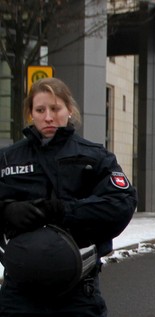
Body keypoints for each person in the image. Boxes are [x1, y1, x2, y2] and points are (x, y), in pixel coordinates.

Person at [0, 77, 137, 316]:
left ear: (69, 110)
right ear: (30, 113)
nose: (48, 117)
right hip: (18, 294)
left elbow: (121, 203)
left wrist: (64, 211)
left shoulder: (95, 157)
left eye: (55, 108)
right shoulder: (7, 159)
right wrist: (7, 211)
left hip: (78, 293)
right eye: (40, 110)